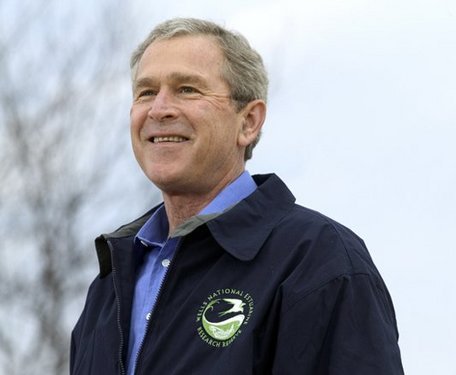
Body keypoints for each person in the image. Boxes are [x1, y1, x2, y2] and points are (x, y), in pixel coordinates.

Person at [70, 17, 404, 375]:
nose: (159, 109)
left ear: (249, 122)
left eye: (187, 89)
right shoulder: (109, 287)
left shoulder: (319, 261)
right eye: (146, 92)